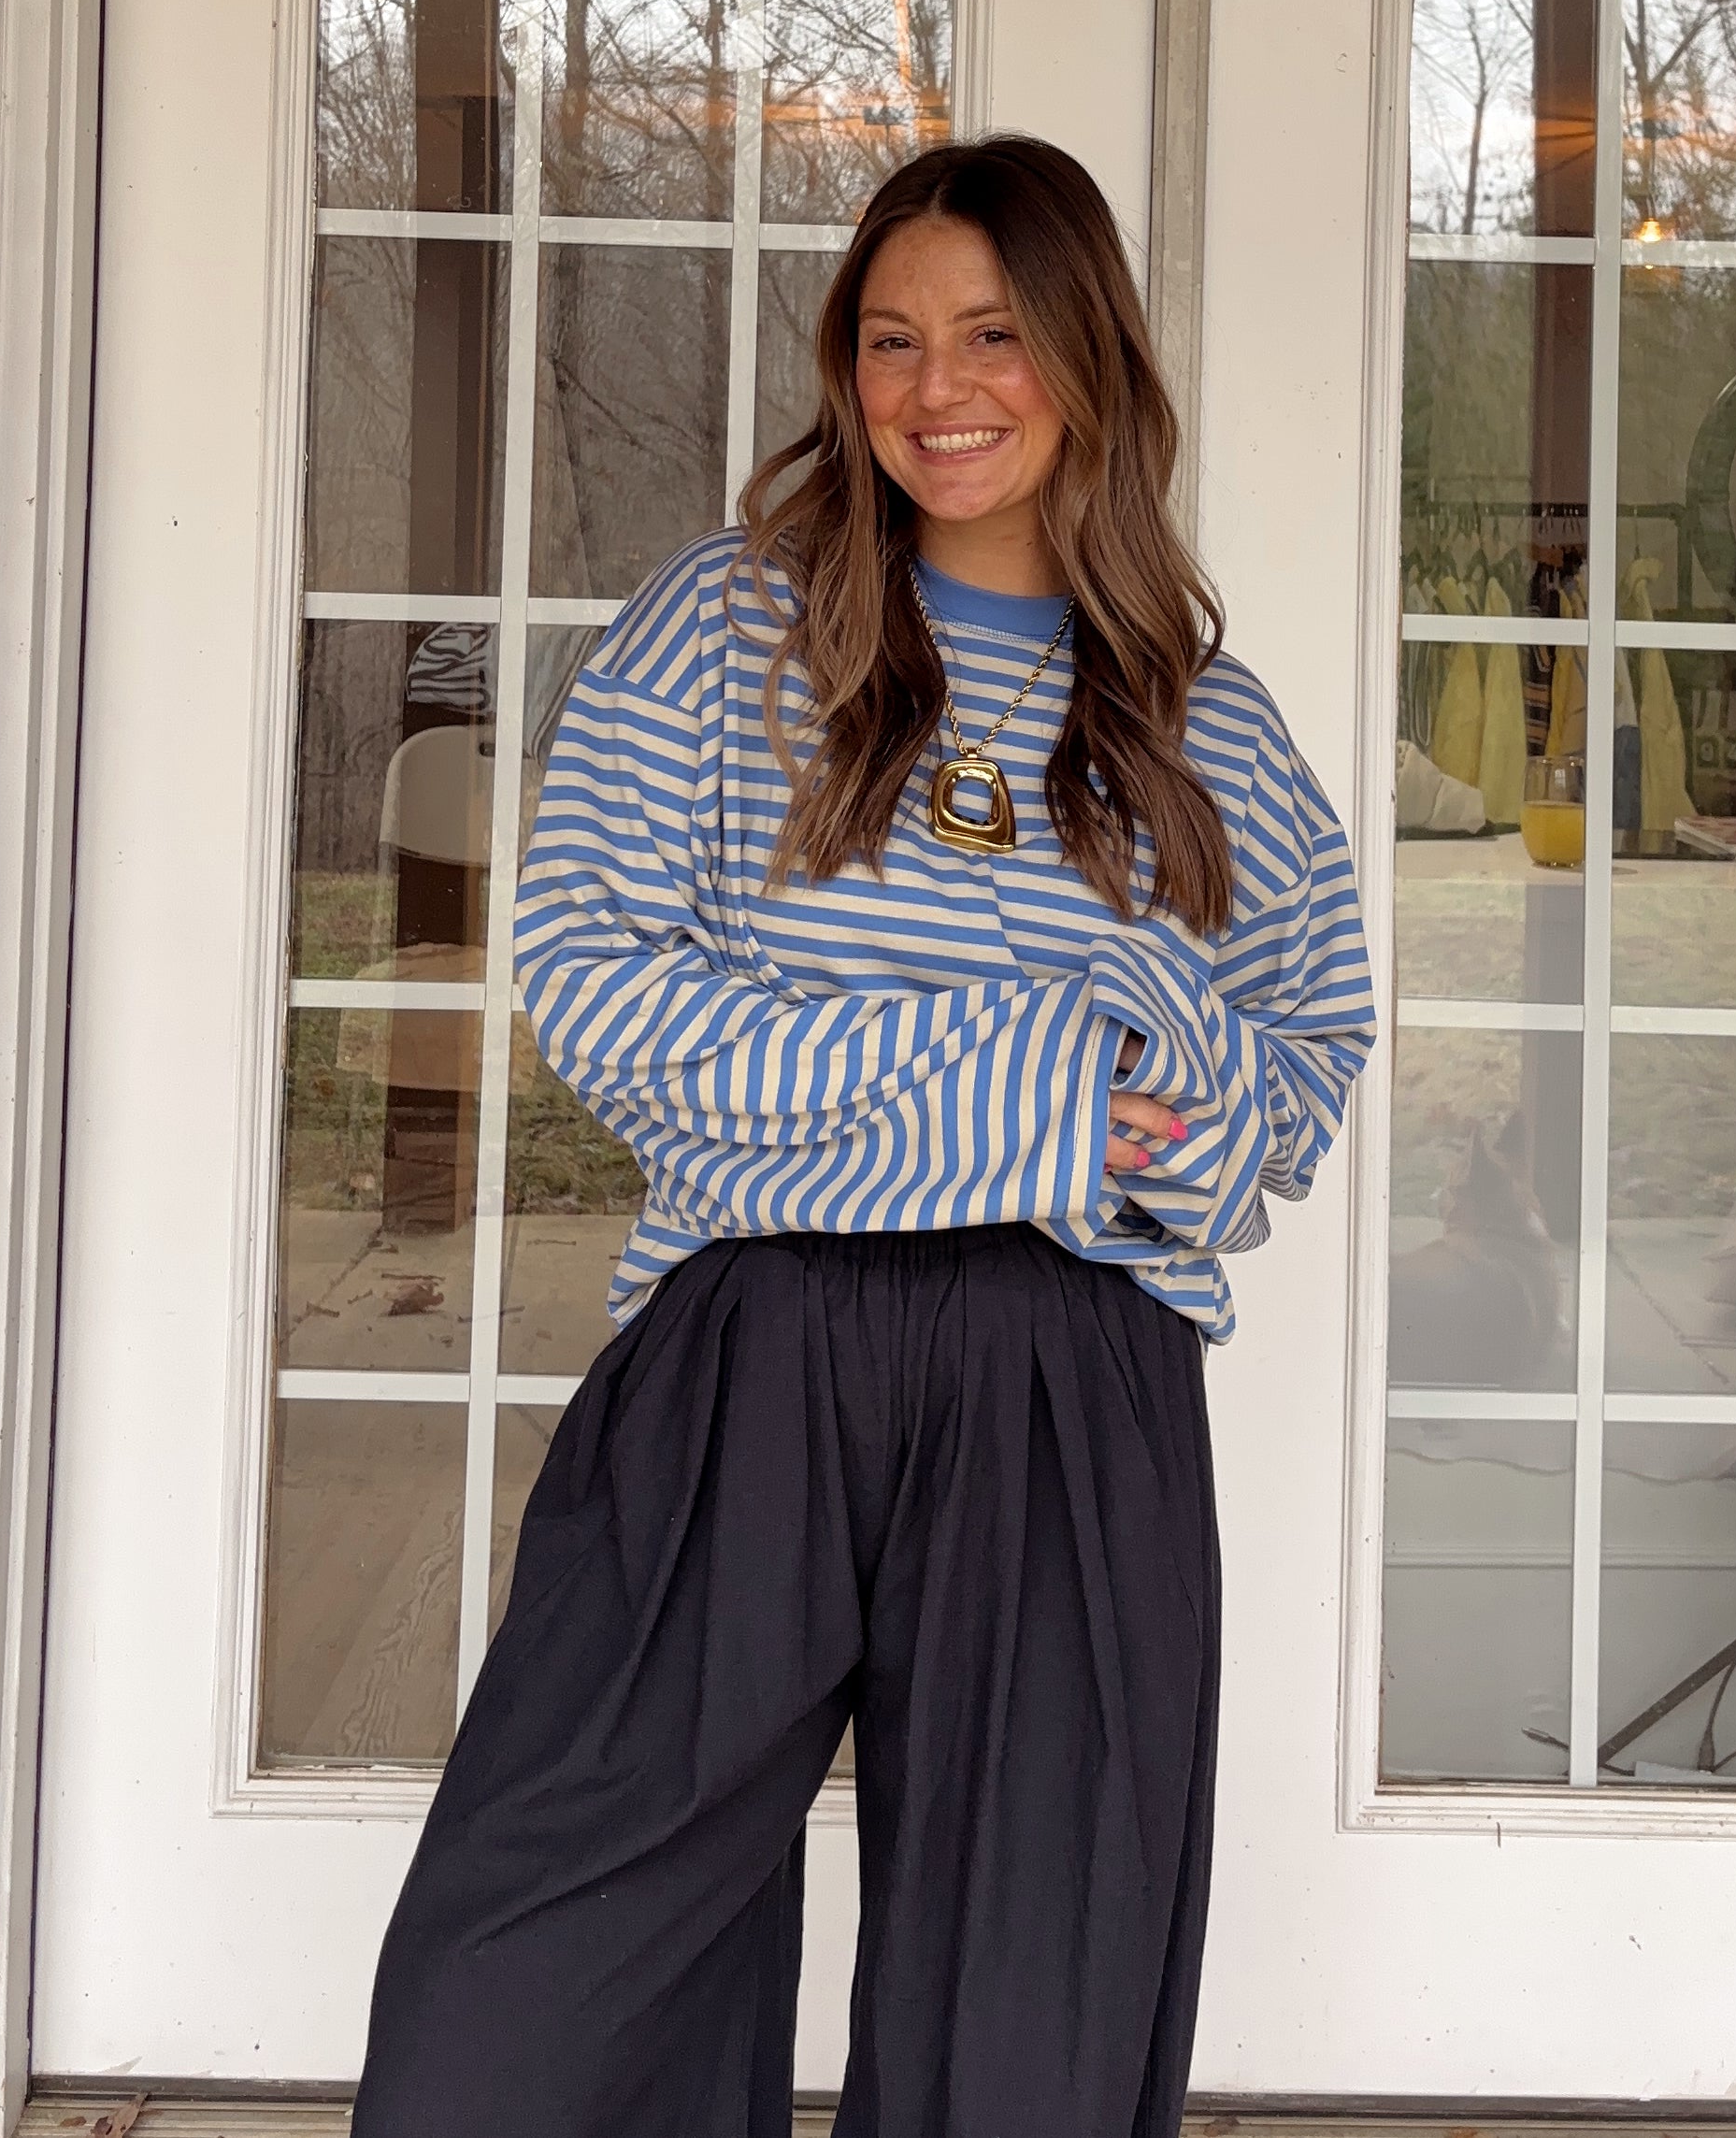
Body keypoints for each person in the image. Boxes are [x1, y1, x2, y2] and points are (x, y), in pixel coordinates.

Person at [351, 134, 1374, 2138]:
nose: (936, 388)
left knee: (1037, 1978)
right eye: (890, 339)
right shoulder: (726, 633)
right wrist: (1011, 1084)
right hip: (757, 1340)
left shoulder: (1194, 718)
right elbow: (590, 977)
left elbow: (1304, 1047)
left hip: (1076, 1372)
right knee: (544, 1952)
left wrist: (1169, 1124)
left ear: (1084, 360)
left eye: (991, 334)